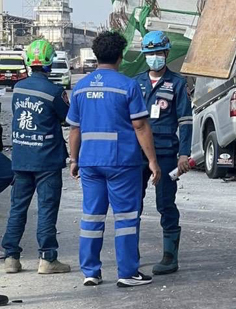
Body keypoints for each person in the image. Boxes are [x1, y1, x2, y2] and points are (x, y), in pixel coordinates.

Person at [66, 31, 161, 288]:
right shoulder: (127, 86)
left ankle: (90, 272)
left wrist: (74, 160)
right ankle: (127, 272)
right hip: (122, 162)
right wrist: (152, 161)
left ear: (96, 55)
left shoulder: (81, 87)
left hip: (90, 162)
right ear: (120, 56)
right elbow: (140, 125)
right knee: (126, 218)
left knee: (91, 217)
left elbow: (74, 129)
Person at [1, 40, 71, 275]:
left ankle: (11, 258)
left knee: (17, 208)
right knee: (47, 208)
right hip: (47, 161)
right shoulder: (55, 92)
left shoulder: (19, 88)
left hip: (22, 158)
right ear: (50, 62)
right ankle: (47, 258)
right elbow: (68, 118)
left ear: (28, 62)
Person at [134, 31, 193, 275]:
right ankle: (130, 254)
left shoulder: (177, 83)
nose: (154, 58)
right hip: (138, 154)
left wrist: (184, 153)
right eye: (150, 54)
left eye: (158, 53)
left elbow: (185, 120)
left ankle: (170, 256)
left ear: (167, 53)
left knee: (166, 203)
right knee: (132, 204)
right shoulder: (135, 83)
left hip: (167, 153)